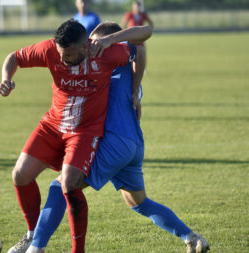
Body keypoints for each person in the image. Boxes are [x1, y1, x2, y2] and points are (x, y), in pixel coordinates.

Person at [25, 22, 210, 253]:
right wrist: (134, 91)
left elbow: (142, 35)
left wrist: (110, 41)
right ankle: (191, 237)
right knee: (138, 202)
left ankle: (35, 247)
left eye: (94, 41)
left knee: (61, 184)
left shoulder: (107, 64)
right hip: (133, 146)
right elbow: (140, 49)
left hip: (112, 142)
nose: (89, 47)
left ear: (110, 43)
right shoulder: (131, 72)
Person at [0, 19, 151, 253]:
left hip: (84, 132)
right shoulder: (50, 49)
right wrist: (6, 79)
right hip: (52, 126)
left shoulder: (104, 53)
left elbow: (142, 41)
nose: (62, 59)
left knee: (69, 185)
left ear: (85, 47)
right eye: (60, 53)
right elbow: (14, 57)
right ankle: (31, 235)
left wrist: (134, 91)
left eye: (68, 55)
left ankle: (77, 250)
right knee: (19, 175)